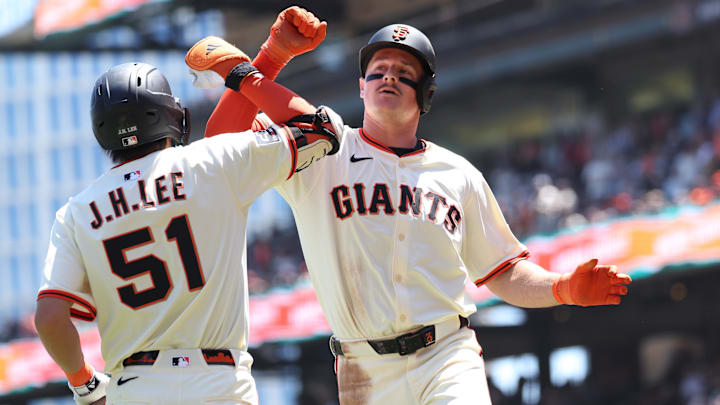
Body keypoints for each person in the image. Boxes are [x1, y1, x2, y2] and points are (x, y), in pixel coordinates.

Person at [186, 19, 633, 404]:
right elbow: (221, 141)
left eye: (404, 71)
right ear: (360, 88)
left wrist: (563, 288)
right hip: (362, 369)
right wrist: (272, 55)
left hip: (446, 353)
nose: (388, 77)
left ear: (426, 93)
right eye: (377, 70)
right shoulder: (322, 152)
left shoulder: (458, 173)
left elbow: (502, 272)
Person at [33, 10, 337, 404]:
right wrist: (252, 69)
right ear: (173, 115)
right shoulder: (211, 163)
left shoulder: (75, 212)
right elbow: (321, 129)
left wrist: (85, 384)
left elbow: (50, 318)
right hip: (219, 383)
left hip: (134, 388)